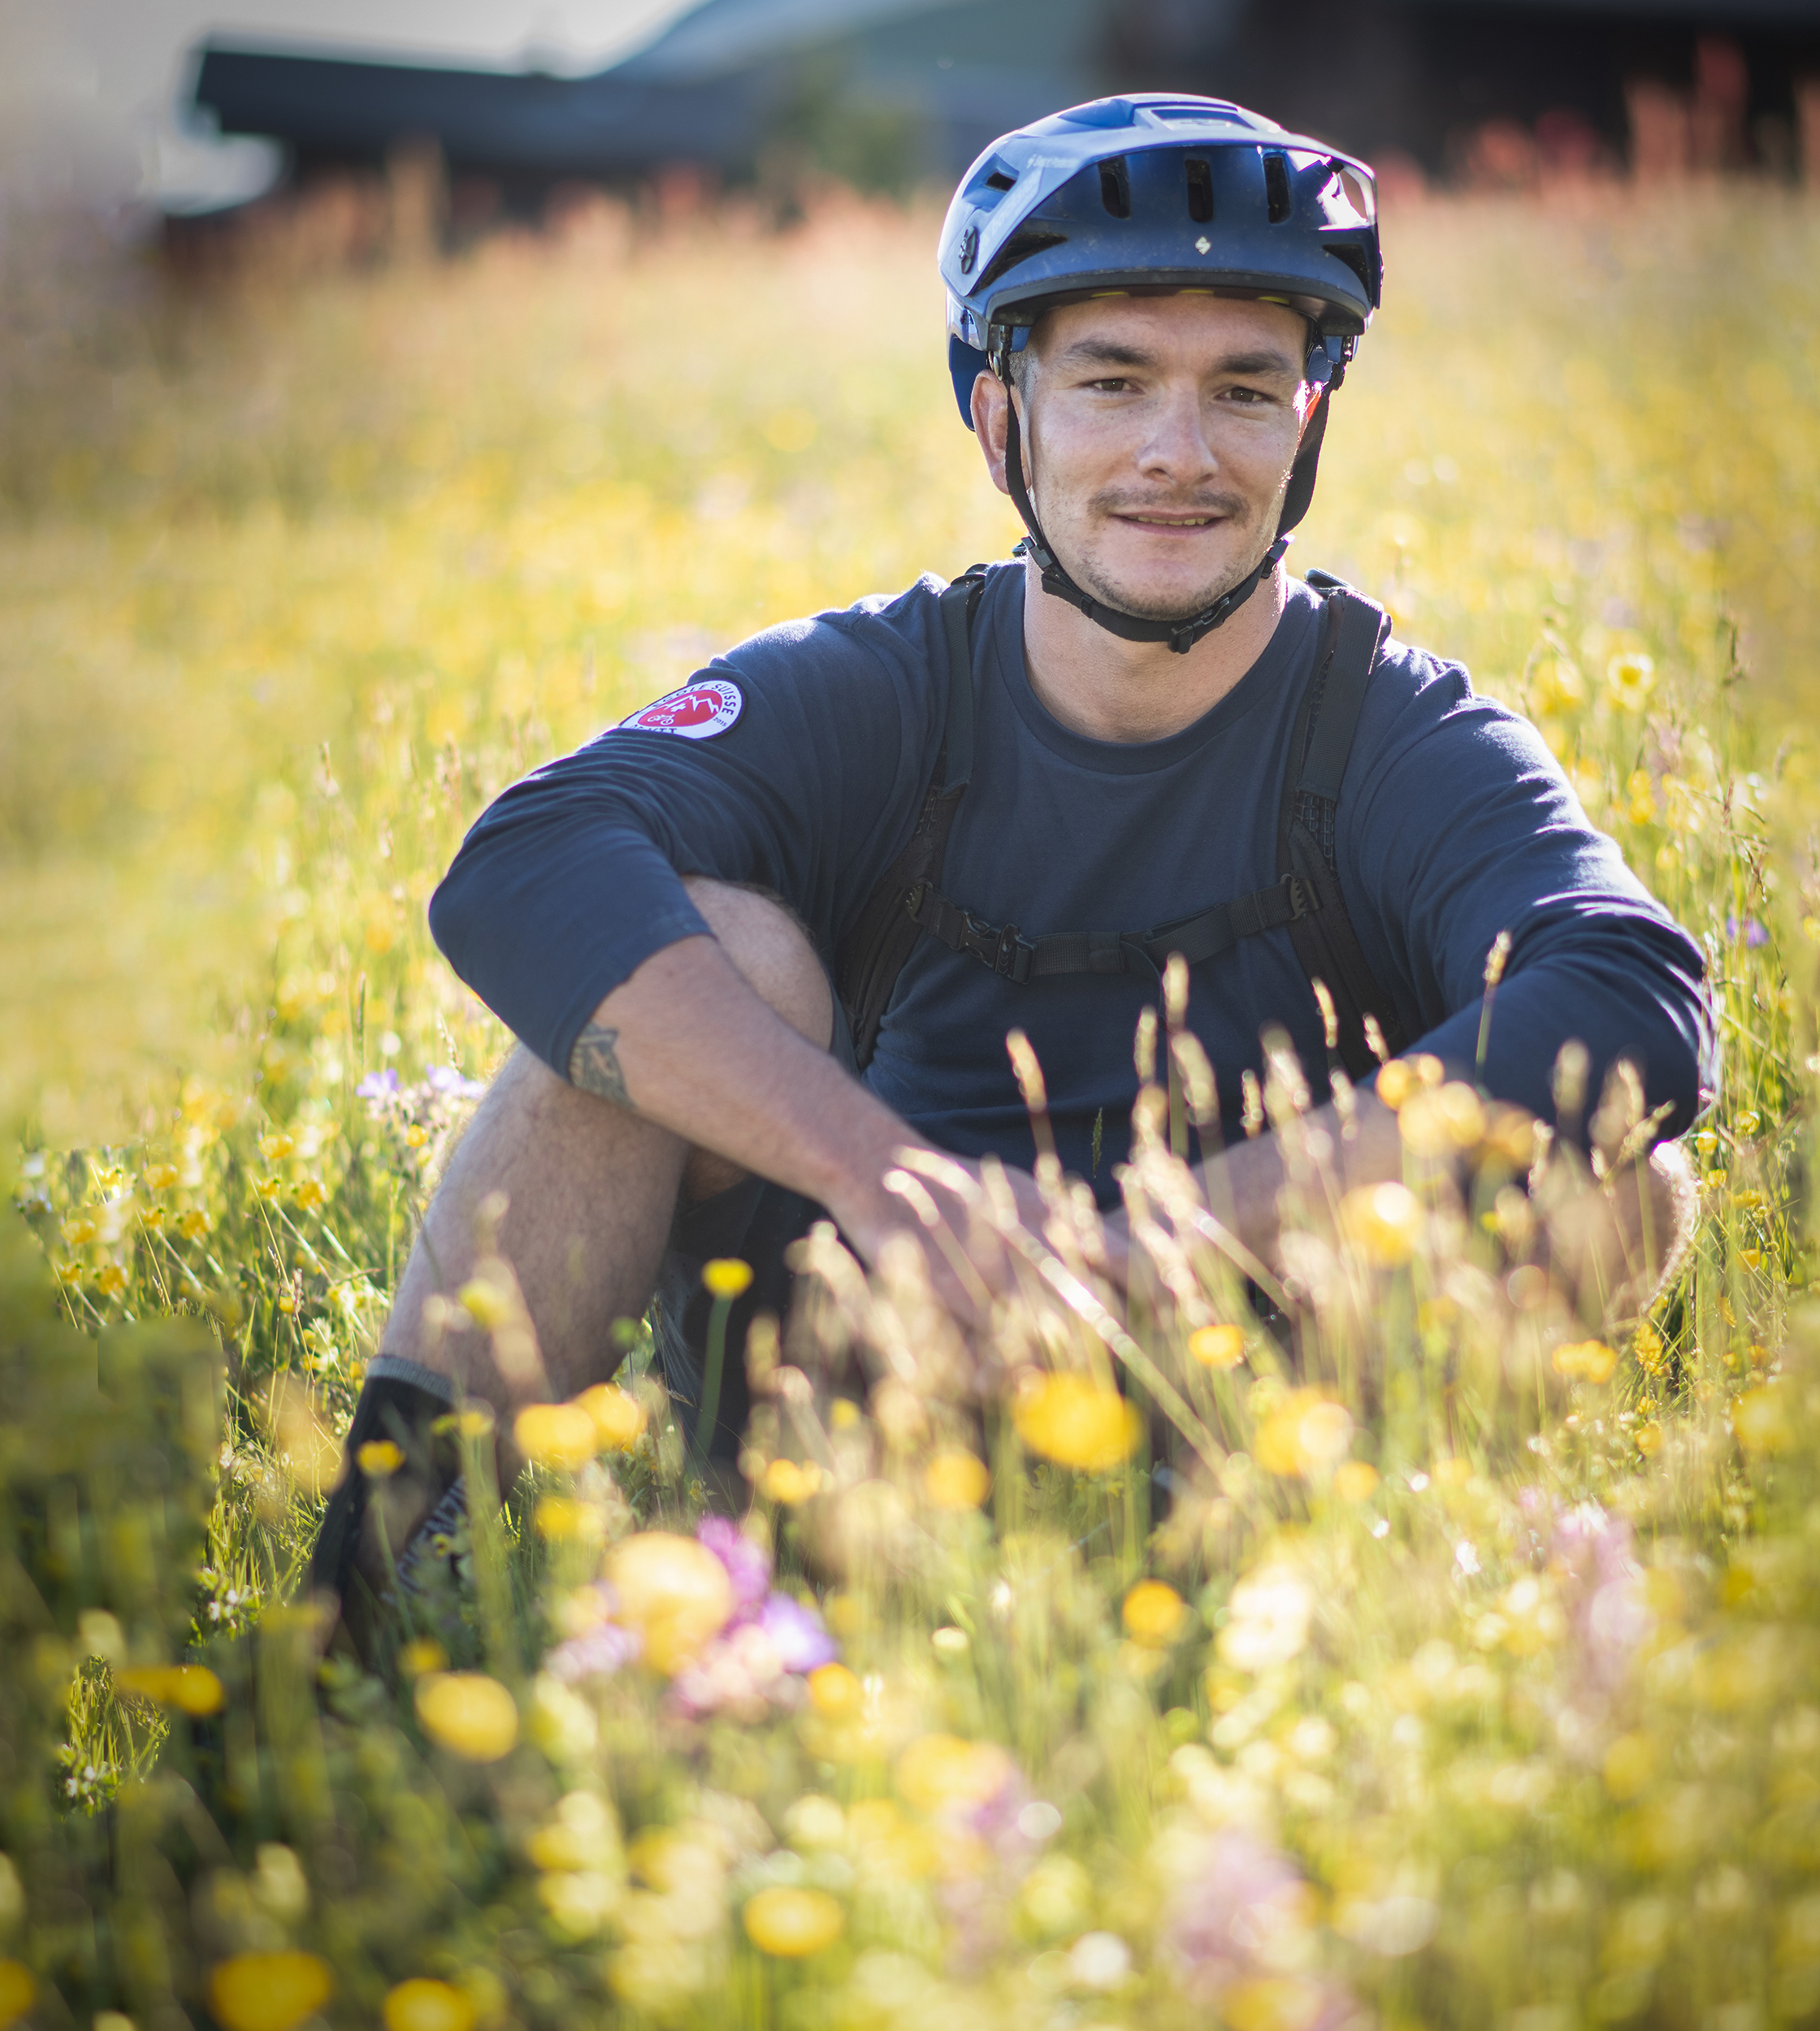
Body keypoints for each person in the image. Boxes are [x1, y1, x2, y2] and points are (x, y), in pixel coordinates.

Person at [308, 94, 1714, 1654]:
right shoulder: (884, 684)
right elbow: (529, 861)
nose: (1180, 455)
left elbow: (1630, 994)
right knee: (686, 964)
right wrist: (884, 1180)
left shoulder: (1395, 727)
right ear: (1001, 416)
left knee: (1620, 1174)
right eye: (1114, 381)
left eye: (1246, 389)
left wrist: (1150, 1238)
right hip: (849, 1398)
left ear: (1306, 424)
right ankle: (376, 1609)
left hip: (1266, 1420)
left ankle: (1396, 1612)